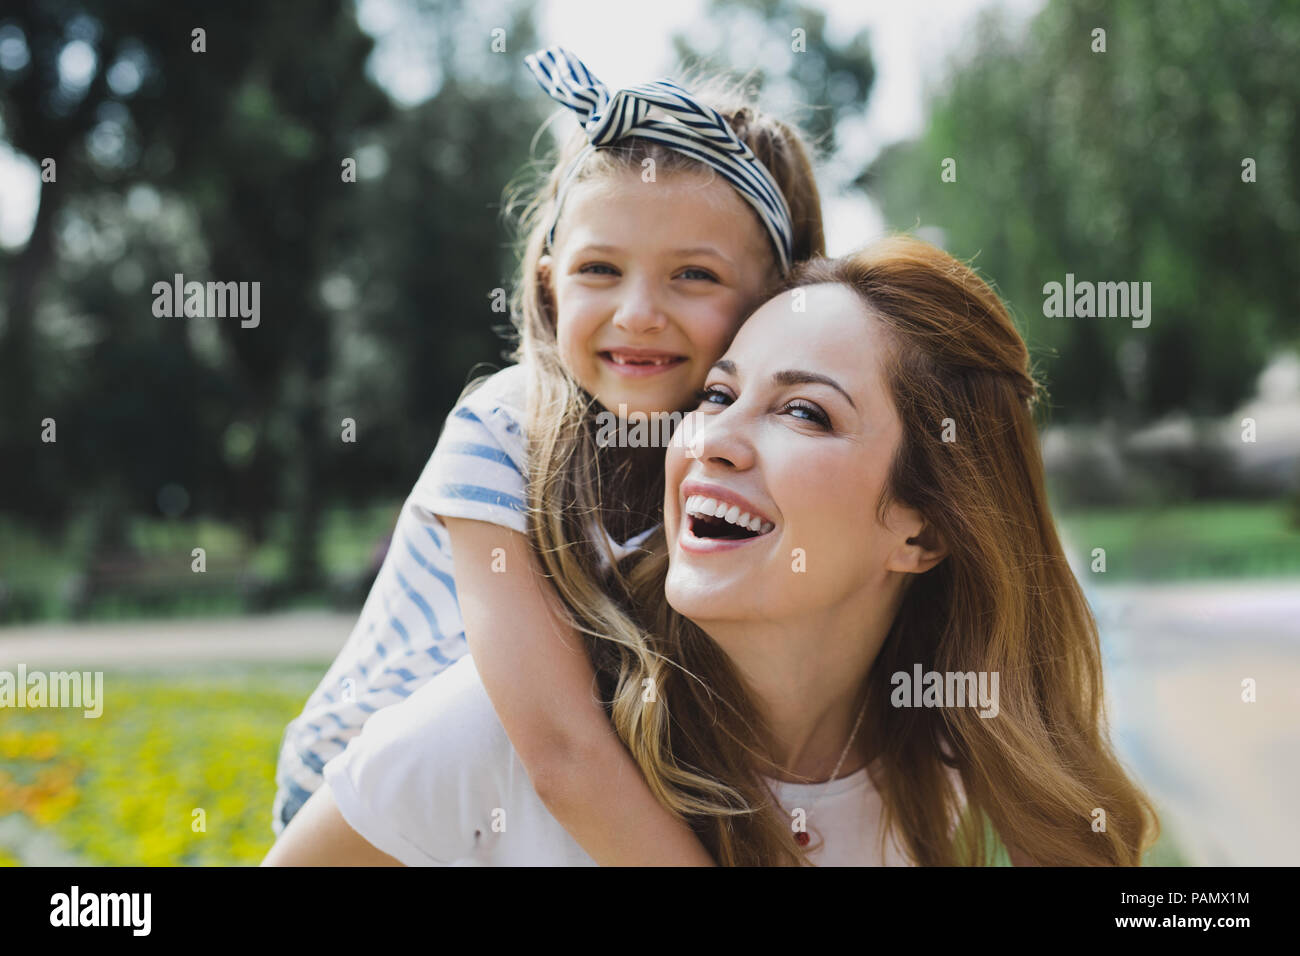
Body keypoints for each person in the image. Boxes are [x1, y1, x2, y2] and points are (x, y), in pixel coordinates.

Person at [265, 236, 1160, 866]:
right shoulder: (494, 732)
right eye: (719, 393)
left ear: (922, 529)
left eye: (804, 412)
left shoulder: (930, 785)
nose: (710, 441)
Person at [270, 46, 825, 867]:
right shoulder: (505, 431)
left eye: (694, 276)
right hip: (374, 819)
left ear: (773, 301)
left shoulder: (748, 459)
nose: (638, 313)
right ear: (549, 282)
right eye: (600, 269)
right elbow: (559, 751)